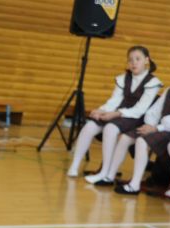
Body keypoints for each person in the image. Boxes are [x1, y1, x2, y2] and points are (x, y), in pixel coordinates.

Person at [66, 46, 161, 180]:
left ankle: (105, 171)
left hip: (136, 117)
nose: (133, 62)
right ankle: (74, 166)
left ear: (147, 60)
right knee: (89, 126)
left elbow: (140, 109)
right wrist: (102, 110)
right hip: (118, 114)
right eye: (130, 60)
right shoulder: (123, 78)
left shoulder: (153, 82)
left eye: (138, 59)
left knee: (110, 128)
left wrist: (115, 114)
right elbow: (114, 100)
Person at [113, 57, 170, 195]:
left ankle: (136, 184)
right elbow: (153, 111)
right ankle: (134, 183)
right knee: (138, 137)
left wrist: (157, 128)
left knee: (143, 140)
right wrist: (151, 125)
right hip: (162, 128)